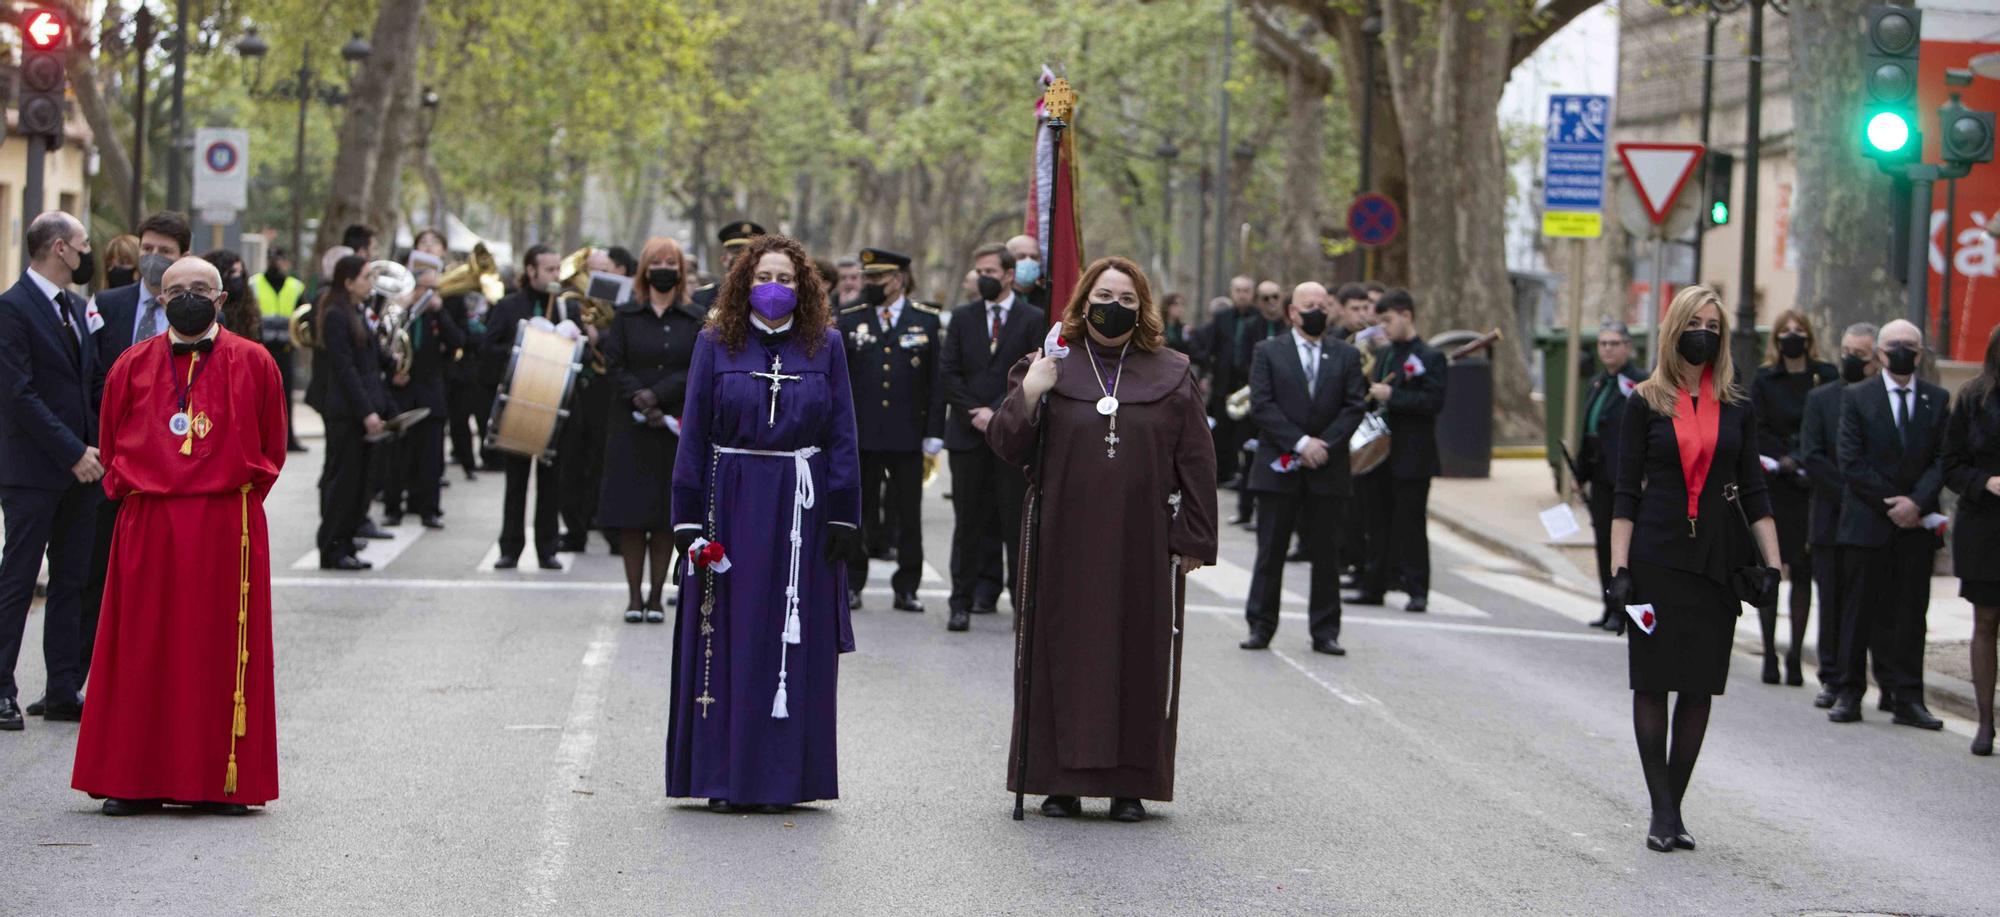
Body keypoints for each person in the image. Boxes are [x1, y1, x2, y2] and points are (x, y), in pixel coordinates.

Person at [989, 255, 1217, 823]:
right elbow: (1005, 443)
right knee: (1059, 651)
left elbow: (1196, 458)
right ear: (1083, 299)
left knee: (1138, 654)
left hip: (1142, 541)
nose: (1113, 307)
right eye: (1104, 296)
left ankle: (1129, 786)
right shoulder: (1047, 362)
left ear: (1142, 310)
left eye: (1127, 300)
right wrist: (1033, 393)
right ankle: (1056, 782)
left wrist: (1192, 537)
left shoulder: (1171, 371)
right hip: (1062, 533)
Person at [71, 254, 287, 815]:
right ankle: (132, 779)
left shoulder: (256, 361)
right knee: (143, 648)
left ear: (220, 299)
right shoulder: (131, 365)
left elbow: (272, 445)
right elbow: (113, 442)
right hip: (150, 524)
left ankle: (221, 783)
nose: (188, 296)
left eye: (200, 287)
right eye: (176, 289)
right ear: (159, 300)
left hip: (226, 527)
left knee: (218, 652)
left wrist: (221, 492)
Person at [666, 233, 861, 811]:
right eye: (763, 277)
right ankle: (724, 778)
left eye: (785, 279)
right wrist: (684, 519)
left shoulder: (825, 346)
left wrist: (844, 513)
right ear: (742, 282)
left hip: (801, 511)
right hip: (727, 502)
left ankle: (783, 781)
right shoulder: (714, 344)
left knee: (790, 639)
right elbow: (694, 432)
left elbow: (843, 433)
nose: (774, 289)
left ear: (803, 288)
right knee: (728, 636)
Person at [1607, 284, 1781, 853]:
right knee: (1653, 681)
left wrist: (1773, 565)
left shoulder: (1738, 405)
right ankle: (1661, 810)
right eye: (1695, 322)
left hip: (1716, 562)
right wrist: (1618, 569)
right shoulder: (1645, 401)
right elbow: (1625, 492)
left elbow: (1754, 491)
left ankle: (1673, 807)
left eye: (1714, 323)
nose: (1704, 331)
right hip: (1655, 559)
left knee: (1700, 686)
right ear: (1674, 328)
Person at [0, 211, 103, 732]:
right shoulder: (12, 309)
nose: (88, 254)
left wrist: (99, 446)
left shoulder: (79, 308)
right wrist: (72, 450)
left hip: (84, 471)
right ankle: (1, 688)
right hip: (34, 470)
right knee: (18, 580)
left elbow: (90, 384)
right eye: (83, 245)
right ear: (61, 248)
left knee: (73, 579)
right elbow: (18, 395)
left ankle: (62, 687)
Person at [1829, 318, 1948, 730]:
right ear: (1879, 353)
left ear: (1920, 353)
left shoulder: (1937, 398)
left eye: (1910, 346)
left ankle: (1907, 697)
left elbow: (1941, 460)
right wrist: (1892, 504)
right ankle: (1849, 692)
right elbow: (1851, 460)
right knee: (1859, 611)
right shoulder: (1858, 397)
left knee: (1912, 614)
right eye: (1894, 344)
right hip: (1868, 523)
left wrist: (1915, 503)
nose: (1902, 352)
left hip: (1915, 526)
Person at [1239, 282, 1367, 655]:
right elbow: (1262, 405)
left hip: (1328, 468)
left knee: (1326, 554)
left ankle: (1325, 631)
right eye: (1309, 305)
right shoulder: (1268, 351)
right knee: (1271, 551)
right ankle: (1260, 626)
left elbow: (1354, 406)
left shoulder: (1346, 355)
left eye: (1323, 305)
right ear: (1293, 312)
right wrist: (1300, 443)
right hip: (1279, 467)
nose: (1317, 311)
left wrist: (1324, 444)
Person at [599, 237, 705, 622]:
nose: (664, 268)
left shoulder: (694, 318)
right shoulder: (626, 316)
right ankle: (633, 596)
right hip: (630, 426)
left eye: (670, 263)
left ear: (680, 271)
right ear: (645, 269)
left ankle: (658, 596)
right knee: (632, 516)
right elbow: (613, 364)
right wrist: (639, 397)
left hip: (672, 427)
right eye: (656, 262)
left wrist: (659, 397)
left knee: (664, 516)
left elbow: (695, 366)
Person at [941, 243, 1048, 622]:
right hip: (968, 435)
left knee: (1014, 523)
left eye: (990, 272)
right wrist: (976, 412)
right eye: (979, 272)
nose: (983, 278)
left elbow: (1034, 374)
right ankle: (960, 603)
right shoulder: (962, 317)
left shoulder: (1033, 318)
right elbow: (949, 372)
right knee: (967, 522)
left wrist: (999, 411)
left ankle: (1023, 607)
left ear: (1007, 274)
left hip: (1012, 438)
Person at [837, 248, 943, 618]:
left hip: (907, 435)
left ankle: (908, 587)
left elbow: (936, 383)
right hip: (861, 436)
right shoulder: (850, 319)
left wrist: (934, 431)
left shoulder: (925, 321)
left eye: (876, 279)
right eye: (866, 278)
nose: (868, 285)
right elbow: (841, 381)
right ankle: (852, 581)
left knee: (907, 515)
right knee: (857, 512)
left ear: (897, 280)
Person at [1749, 310, 1838, 685]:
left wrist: (1803, 459)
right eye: (1785, 331)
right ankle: (1769, 652)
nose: (1792, 337)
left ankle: (1795, 655)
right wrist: (1782, 460)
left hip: (1812, 483)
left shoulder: (1825, 376)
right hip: (1775, 482)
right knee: (1772, 568)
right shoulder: (1765, 378)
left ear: (1809, 335)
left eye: (1799, 331)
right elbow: (1756, 425)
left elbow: (1829, 424)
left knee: (1803, 572)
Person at [1347, 289, 1447, 613]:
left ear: (1407, 315)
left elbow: (1433, 402)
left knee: (1411, 524)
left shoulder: (1431, 357)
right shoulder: (1386, 354)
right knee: (1376, 523)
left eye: (1388, 320)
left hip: (1412, 454)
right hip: (1379, 453)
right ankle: (1373, 585)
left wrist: (1392, 395)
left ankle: (1418, 589)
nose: (1384, 327)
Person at [482, 245, 578, 570]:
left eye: (557, 269)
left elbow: (582, 359)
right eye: (548, 269)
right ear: (531, 270)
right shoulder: (508, 306)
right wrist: (524, 346)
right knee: (516, 483)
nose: (555, 275)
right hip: (520, 406)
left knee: (552, 483)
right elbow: (488, 348)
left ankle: (547, 548)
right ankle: (510, 547)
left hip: (556, 409)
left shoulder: (567, 309)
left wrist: (580, 338)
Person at [1800, 323, 1878, 708]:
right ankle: (1830, 676)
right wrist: (1850, 495)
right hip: (1832, 516)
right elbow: (1811, 455)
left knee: (1864, 604)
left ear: (1875, 359)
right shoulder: (1821, 399)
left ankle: (1871, 679)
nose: (1850, 359)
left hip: (1871, 520)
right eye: (1846, 350)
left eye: (1859, 354)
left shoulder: (1880, 399)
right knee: (1830, 601)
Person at [306, 254, 390, 570]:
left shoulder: (356, 311)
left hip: (361, 408)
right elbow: (345, 369)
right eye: (367, 277)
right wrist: (366, 411)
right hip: (346, 412)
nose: (372, 282)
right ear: (349, 282)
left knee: (357, 481)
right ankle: (332, 547)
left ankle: (346, 540)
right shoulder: (336, 314)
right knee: (342, 481)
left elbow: (369, 359)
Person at [1944, 323, 2000, 756]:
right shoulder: (1972, 397)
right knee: (1985, 621)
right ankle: (1985, 722)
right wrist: (1987, 482)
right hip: (1985, 528)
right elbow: (1951, 466)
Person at [381, 249, 462, 530]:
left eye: (435, 289)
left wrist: (440, 311)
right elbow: (384, 344)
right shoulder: (398, 312)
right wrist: (394, 373)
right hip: (401, 393)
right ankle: (393, 507)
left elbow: (457, 342)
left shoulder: (438, 315)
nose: (431, 293)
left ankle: (429, 508)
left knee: (430, 456)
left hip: (431, 392)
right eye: (427, 288)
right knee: (398, 456)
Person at [1580, 321, 1645, 633]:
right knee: (1603, 543)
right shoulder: (1597, 383)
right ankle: (1608, 605)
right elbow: (1589, 429)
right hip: (1598, 474)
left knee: (1622, 546)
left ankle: (1623, 609)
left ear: (1627, 347)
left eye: (1614, 343)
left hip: (1623, 476)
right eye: (1603, 343)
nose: (1607, 348)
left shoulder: (1639, 383)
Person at [250, 246, 308, 453]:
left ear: (288, 263)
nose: (277, 262)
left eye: (280, 258)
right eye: (273, 258)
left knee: (285, 397)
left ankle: (288, 438)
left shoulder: (296, 287)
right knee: (260, 397)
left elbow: (303, 317)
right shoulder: (254, 284)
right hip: (261, 350)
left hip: (285, 350)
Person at [692, 221, 764, 310]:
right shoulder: (702, 298)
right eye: (737, 252)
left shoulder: (768, 296)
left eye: (749, 253)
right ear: (724, 259)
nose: (743, 258)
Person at [204, 249, 261, 341]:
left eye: (241, 273)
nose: (238, 277)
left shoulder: (248, 313)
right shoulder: (207, 310)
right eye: (232, 272)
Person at [1004, 234, 1051, 311]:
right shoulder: (998, 298)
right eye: (1021, 257)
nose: (1028, 261)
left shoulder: (1050, 299)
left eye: (1034, 257)